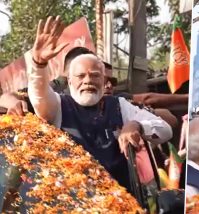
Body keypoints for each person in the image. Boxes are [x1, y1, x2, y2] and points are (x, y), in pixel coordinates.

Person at [26, 16, 173, 191]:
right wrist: (39, 64)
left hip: (121, 203)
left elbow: (165, 130)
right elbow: (39, 97)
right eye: (81, 76)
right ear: (70, 82)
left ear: (104, 81)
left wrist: (136, 126)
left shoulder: (119, 105)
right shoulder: (58, 106)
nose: (88, 81)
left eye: (95, 75)